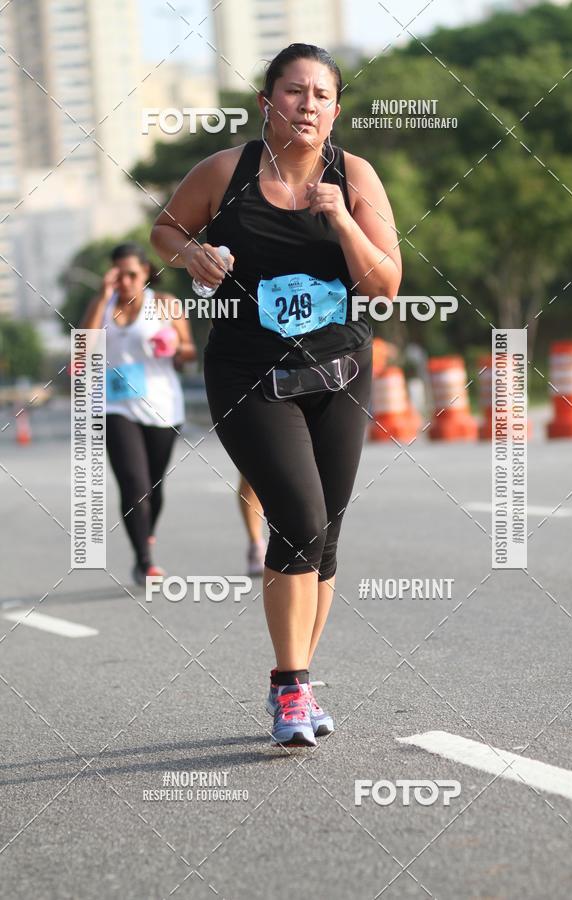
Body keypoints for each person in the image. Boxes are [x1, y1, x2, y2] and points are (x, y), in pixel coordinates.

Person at [151, 43, 402, 746]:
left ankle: (301, 680)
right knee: (297, 515)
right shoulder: (224, 173)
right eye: (295, 92)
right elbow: (165, 228)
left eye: (322, 96)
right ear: (268, 103)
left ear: (335, 110)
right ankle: (289, 690)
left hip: (341, 373)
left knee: (326, 535)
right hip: (250, 376)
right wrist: (190, 253)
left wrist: (343, 219)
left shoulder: (355, 177)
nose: (308, 106)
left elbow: (386, 287)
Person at [79, 242, 196, 585]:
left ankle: (146, 534)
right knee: (134, 484)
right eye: (119, 274)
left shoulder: (165, 305)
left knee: (154, 488)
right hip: (114, 406)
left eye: (132, 274)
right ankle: (144, 561)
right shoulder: (103, 305)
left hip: (161, 406)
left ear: (146, 272)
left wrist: (174, 346)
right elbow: (83, 349)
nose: (126, 281)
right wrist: (102, 296)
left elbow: (189, 353)